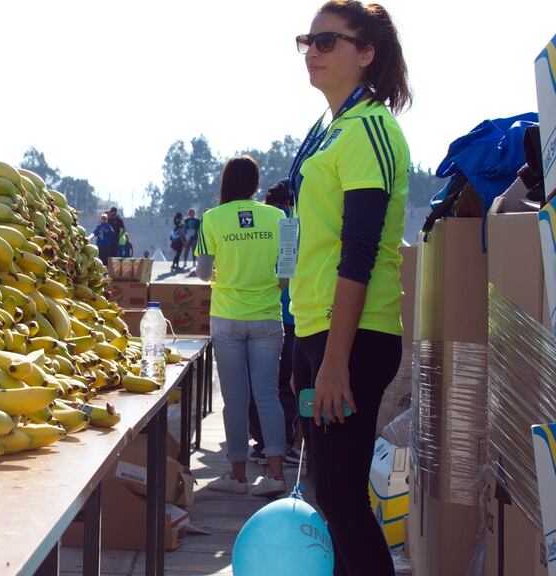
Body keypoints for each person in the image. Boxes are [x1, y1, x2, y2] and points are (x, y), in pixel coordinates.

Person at [290, 2, 411, 574]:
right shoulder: (330, 129)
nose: (312, 52)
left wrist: (335, 361)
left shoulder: (370, 129)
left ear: (366, 53)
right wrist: (303, 346)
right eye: (307, 41)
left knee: (341, 498)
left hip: (356, 338)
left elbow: (358, 252)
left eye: (327, 41)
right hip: (318, 329)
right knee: (332, 497)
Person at [197, 156, 288, 497]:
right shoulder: (278, 217)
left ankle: (237, 477)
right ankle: (276, 475)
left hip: (227, 318)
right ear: (256, 184)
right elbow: (286, 273)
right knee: (268, 396)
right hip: (267, 317)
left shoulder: (211, 219)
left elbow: (203, 274)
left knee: (234, 400)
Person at [247, 179, 301, 465]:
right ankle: (284, 444)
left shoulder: (258, 225)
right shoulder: (297, 225)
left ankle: (260, 444)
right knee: (286, 384)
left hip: (257, 312)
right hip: (292, 316)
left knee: (258, 384)